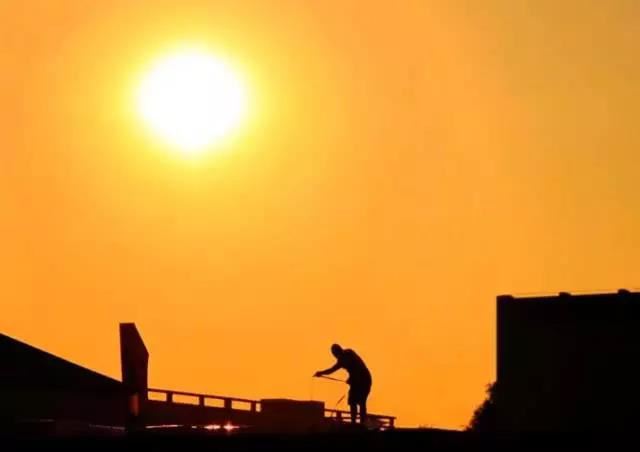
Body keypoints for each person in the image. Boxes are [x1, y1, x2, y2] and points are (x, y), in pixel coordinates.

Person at [314, 343, 372, 425]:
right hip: (360, 380)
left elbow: (356, 368)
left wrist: (320, 373)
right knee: (354, 401)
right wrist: (321, 373)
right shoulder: (345, 357)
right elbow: (333, 369)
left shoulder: (347, 355)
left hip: (364, 380)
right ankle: (355, 422)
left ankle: (359, 423)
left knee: (359, 401)